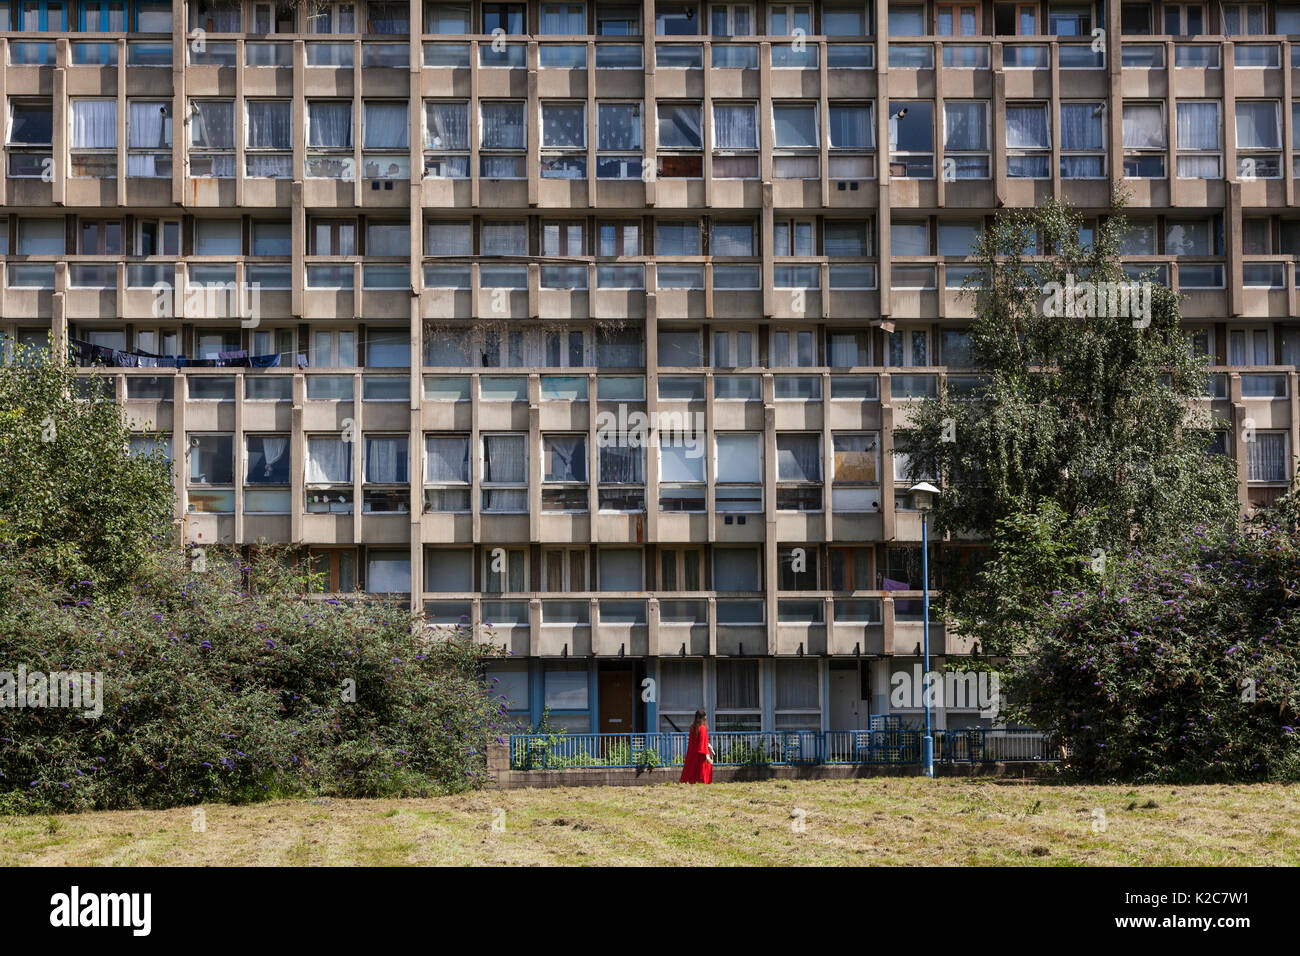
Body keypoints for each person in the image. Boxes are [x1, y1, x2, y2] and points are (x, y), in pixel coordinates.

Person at [679, 709, 713, 784]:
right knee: (702, 771)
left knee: (691, 770)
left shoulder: (692, 728)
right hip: (701, 754)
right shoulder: (703, 728)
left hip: (692, 753)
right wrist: (707, 755)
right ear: (703, 718)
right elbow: (703, 743)